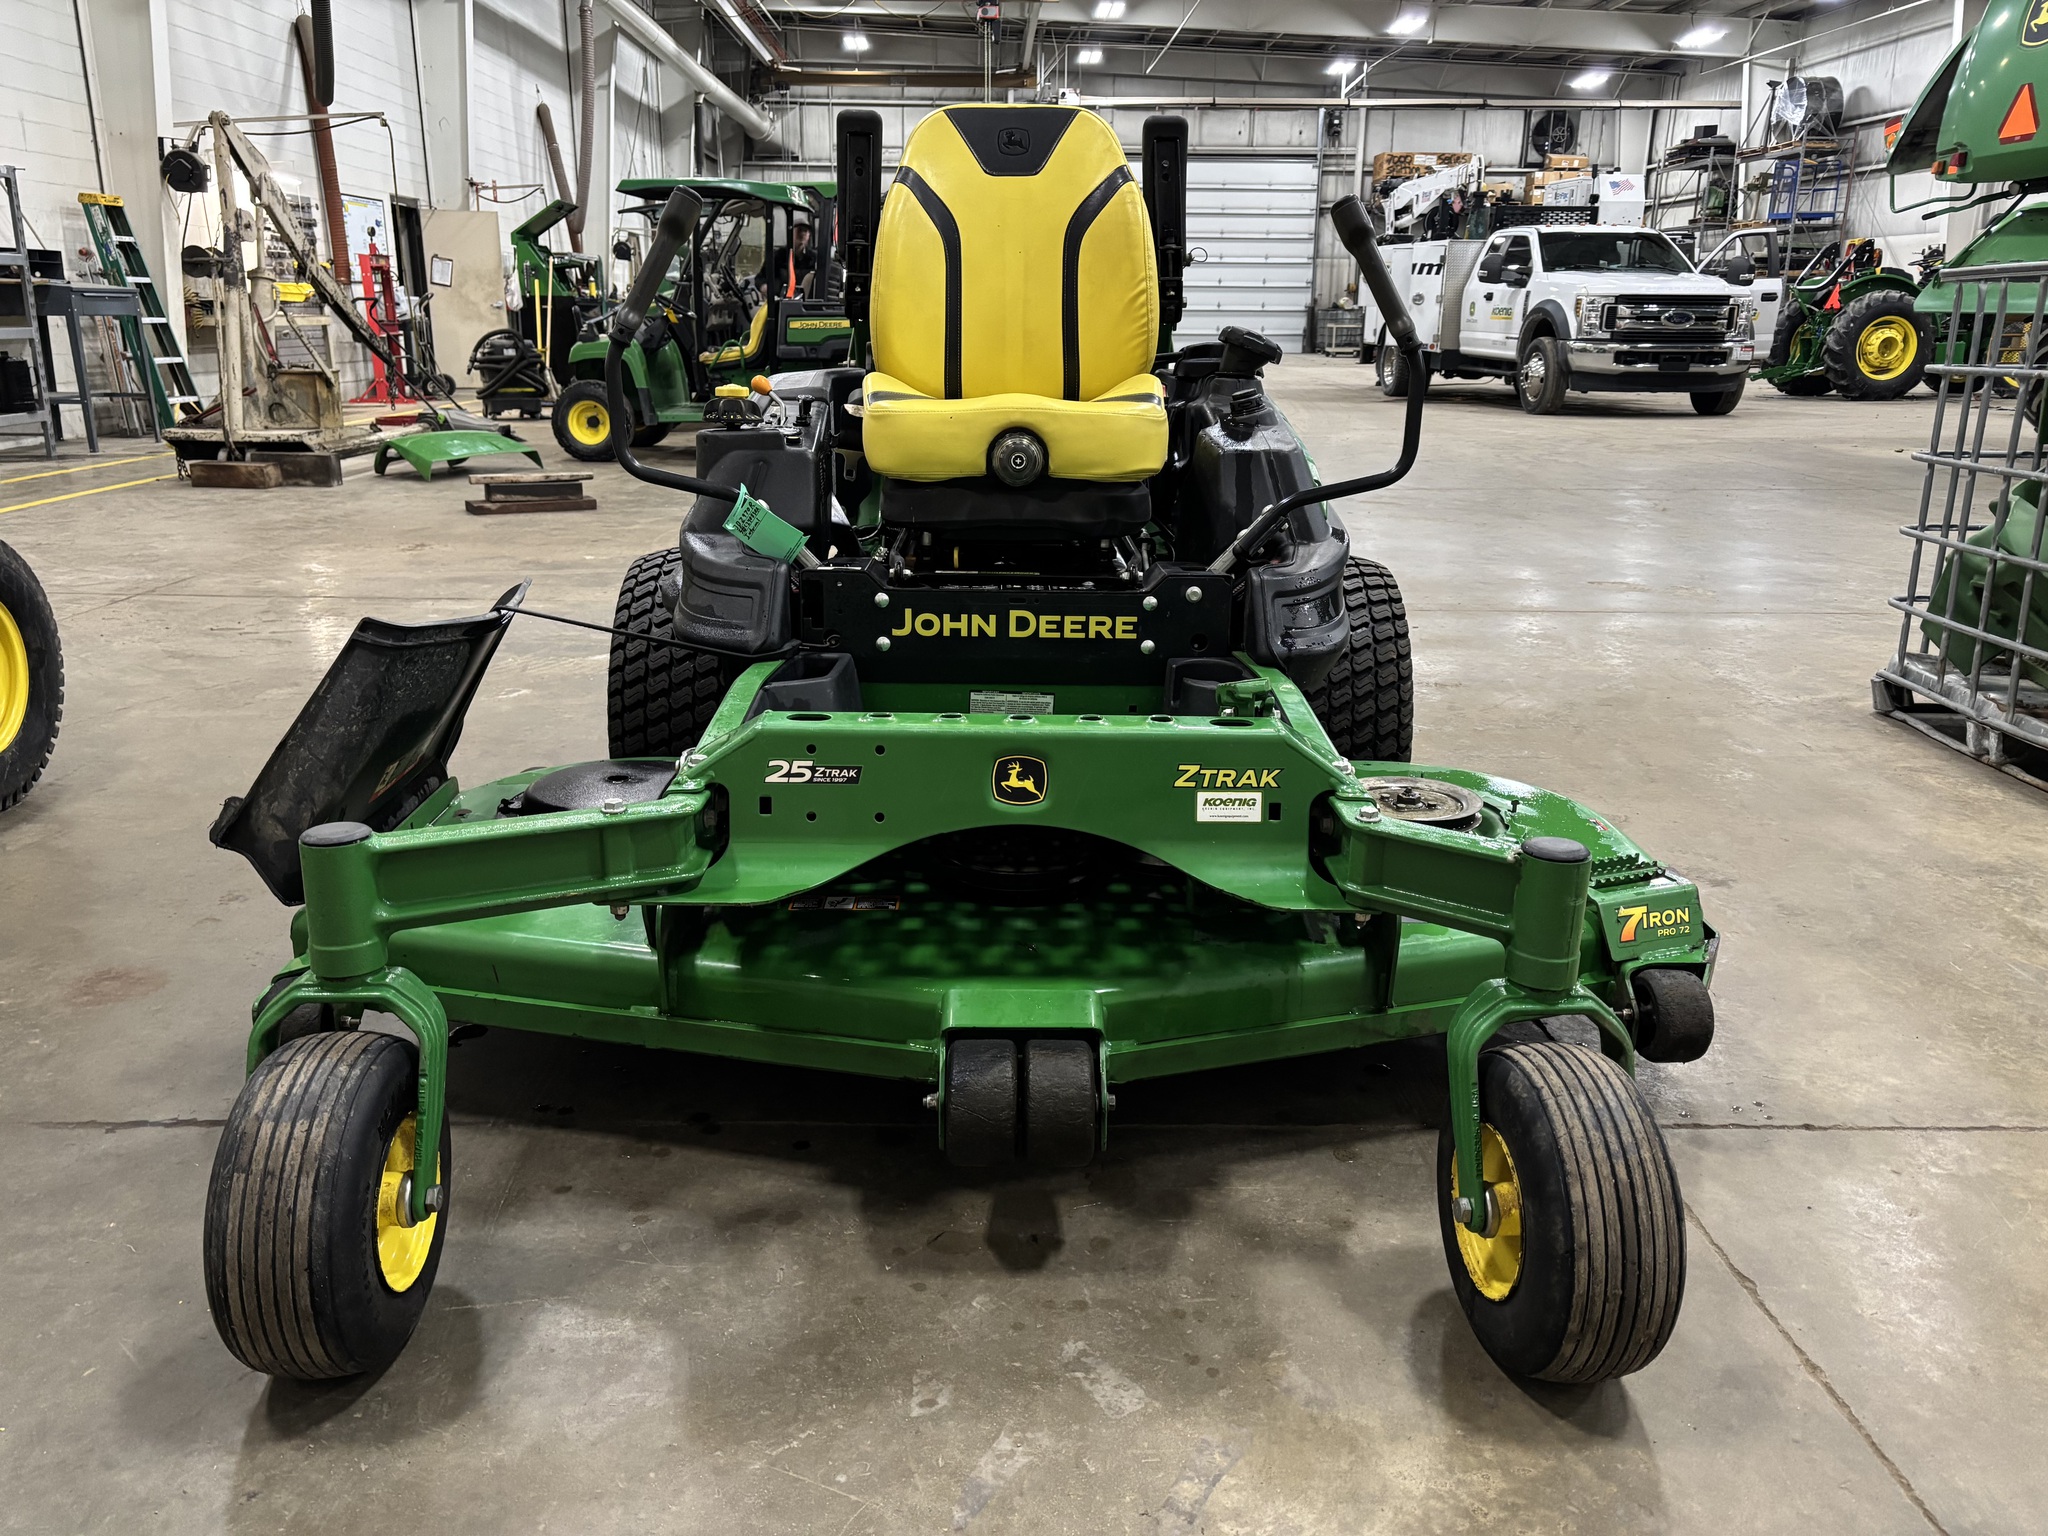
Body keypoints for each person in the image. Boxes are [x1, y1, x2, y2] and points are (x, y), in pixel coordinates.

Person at [756, 213, 815, 300]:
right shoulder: (778, 256)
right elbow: (760, 278)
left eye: (805, 231)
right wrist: (763, 286)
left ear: (809, 236)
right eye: (799, 230)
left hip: (806, 304)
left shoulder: (814, 258)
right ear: (791, 233)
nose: (802, 234)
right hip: (782, 303)